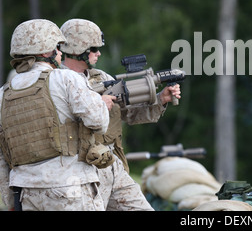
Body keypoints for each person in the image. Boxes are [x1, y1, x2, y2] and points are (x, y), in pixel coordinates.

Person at [59, 18, 181, 211]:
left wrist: (161, 99)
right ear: (77, 48)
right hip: (80, 170)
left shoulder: (103, 78)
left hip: (111, 165)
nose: (98, 53)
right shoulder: (57, 83)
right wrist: (97, 105)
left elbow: (130, 114)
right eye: (93, 48)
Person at [0, 19, 112, 211]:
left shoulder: (4, 93)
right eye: (58, 47)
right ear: (46, 51)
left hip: (27, 194)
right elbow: (99, 122)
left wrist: (10, 201)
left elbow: (3, 154)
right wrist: (100, 103)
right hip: (70, 188)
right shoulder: (65, 78)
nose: (61, 52)